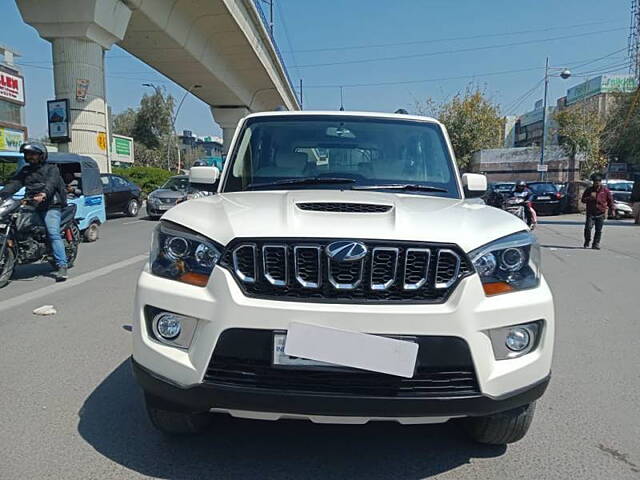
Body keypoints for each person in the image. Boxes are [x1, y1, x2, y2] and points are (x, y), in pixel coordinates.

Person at [0, 142, 69, 280]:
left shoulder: (52, 169)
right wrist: (2, 194)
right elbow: (14, 184)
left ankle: (62, 265)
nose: (30, 156)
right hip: (31, 204)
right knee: (16, 224)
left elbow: (51, 183)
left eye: (33, 154)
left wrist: (43, 194)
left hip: (50, 205)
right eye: (27, 154)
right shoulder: (25, 171)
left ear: (41, 155)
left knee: (53, 232)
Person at [581, 173, 614, 250]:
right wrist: (590, 198)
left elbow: (610, 201)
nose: (597, 183)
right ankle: (587, 240)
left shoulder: (605, 190)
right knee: (588, 228)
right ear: (593, 182)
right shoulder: (589, 190)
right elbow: (583, 200)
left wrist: (612, 210)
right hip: (591, 213)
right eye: (596, 181)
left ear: (601, 182)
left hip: (601, 213)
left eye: (599, 181)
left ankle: (596, 244)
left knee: (598, 230)